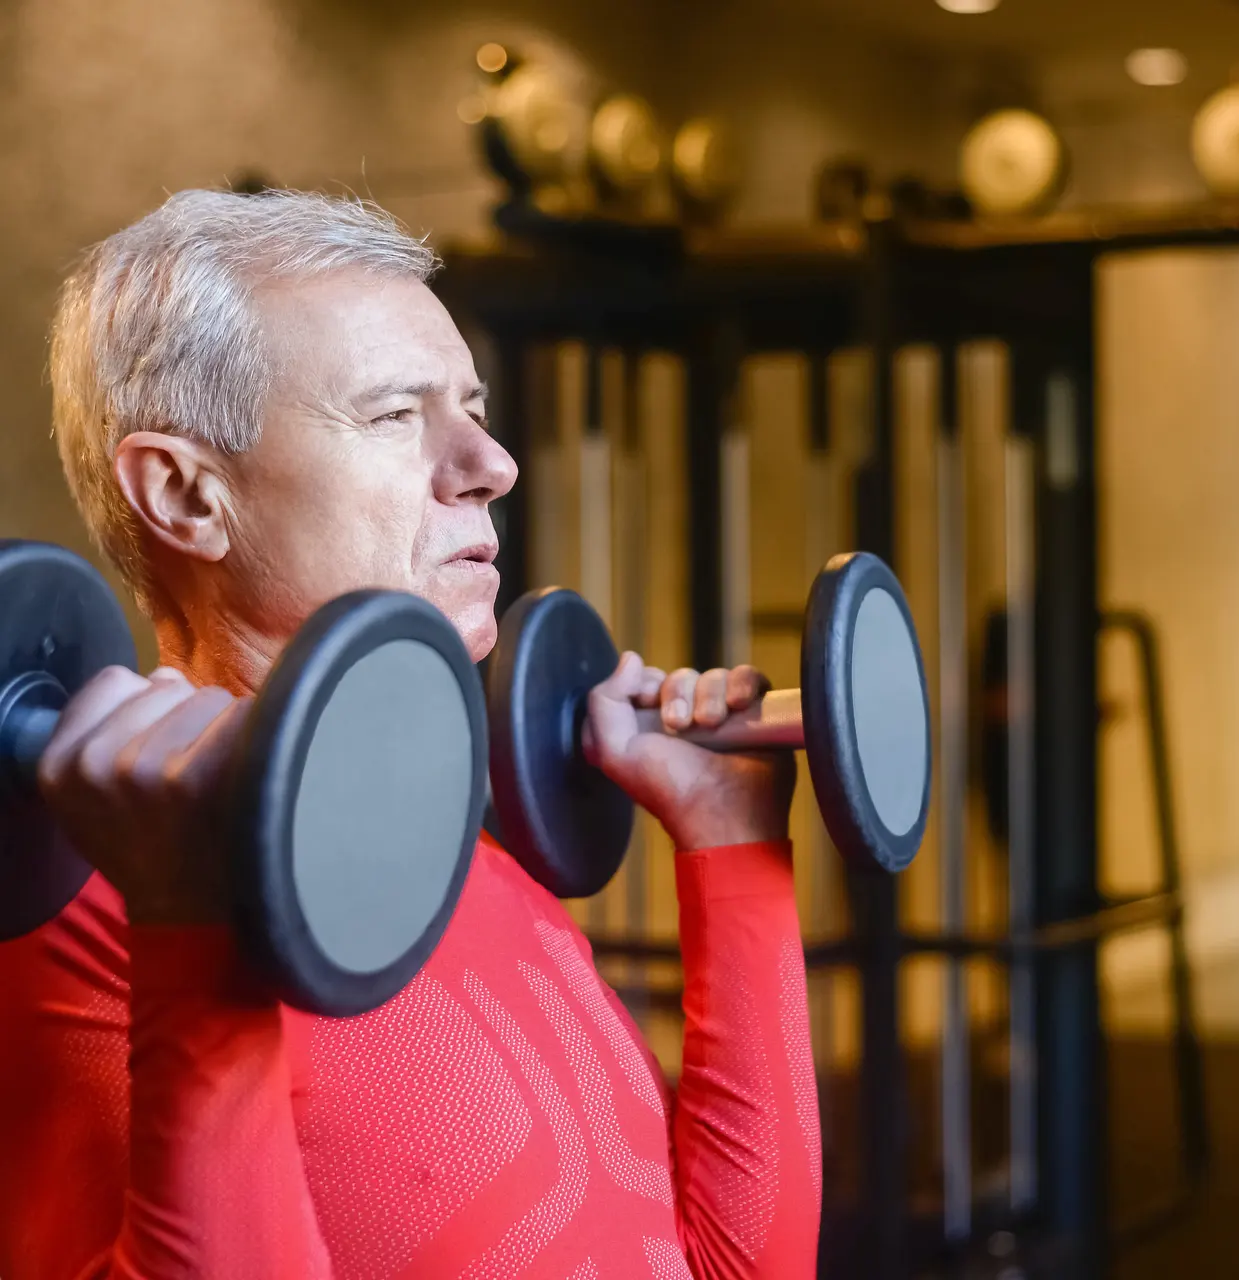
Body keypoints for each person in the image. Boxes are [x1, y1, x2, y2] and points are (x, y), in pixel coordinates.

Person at [0, 190, 821, 1279]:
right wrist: (195, 929)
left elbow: (734, 1269)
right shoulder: (77, 913)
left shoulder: (461, 862)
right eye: (395, 413)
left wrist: (732, 852)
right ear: (187, 494)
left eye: (470, 405)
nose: (492, 460)